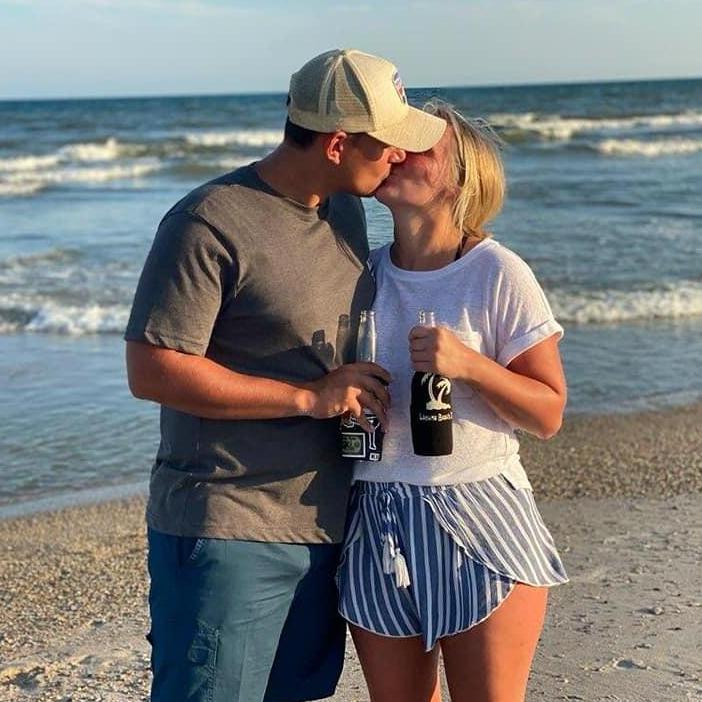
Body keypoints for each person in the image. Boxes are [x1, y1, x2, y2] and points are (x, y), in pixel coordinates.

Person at [124, 50, 446, 702]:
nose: (398, 155)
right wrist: (308, 396)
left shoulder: (345, 209)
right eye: (385, 142)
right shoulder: (209, 220)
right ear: (337, 144)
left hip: (324, 527)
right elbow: (152, 368)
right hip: (228, 526)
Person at [336, 100, 569, 702]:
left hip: (478, 514)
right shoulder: (361, 274)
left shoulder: (496, 271)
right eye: (393, 141)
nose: (395, 153)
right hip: (376, 519)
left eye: (420, 147)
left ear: (460, 178)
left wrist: (470, 366)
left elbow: (547, 413)